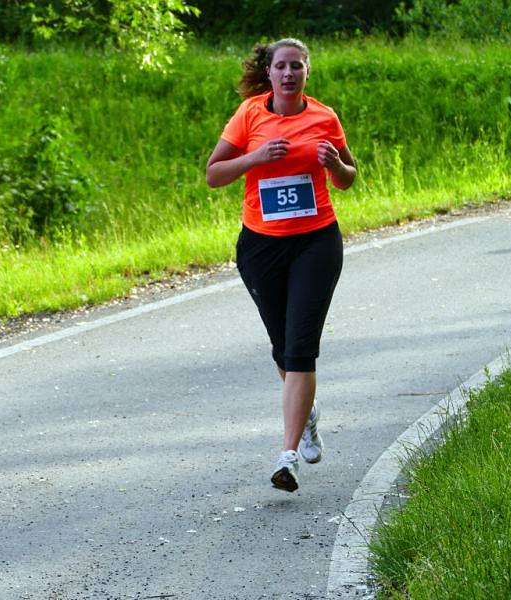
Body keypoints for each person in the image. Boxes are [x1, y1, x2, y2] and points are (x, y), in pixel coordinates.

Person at [206, 38, 356, 492]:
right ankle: (306, 412)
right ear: (269, 73)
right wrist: (254, 157)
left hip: (316, 242)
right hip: (262, 248)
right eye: (281, 67)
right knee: (282, 350)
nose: (289, 74)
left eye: (297, 66)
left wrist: (334, 165)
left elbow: (349, 179)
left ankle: (287, 457)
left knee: (301, 347)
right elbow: (214, 174)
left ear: (307, 72)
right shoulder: (250, 114)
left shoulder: (324, 117)